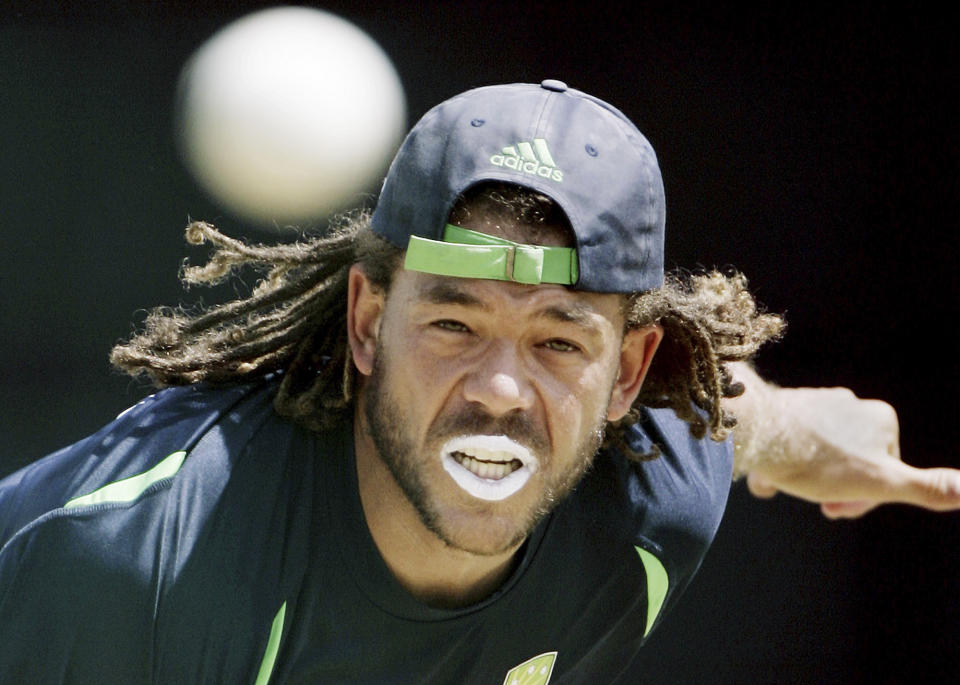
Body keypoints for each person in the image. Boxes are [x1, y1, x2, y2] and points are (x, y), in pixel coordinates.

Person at [1, 80, 957, 684]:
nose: (499, 389)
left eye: (556, 343)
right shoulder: (137, 562)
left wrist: (800, 432)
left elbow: (715, 412)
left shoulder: (647, 521)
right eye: (454, 323)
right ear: (369, 322)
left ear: (628, 373)